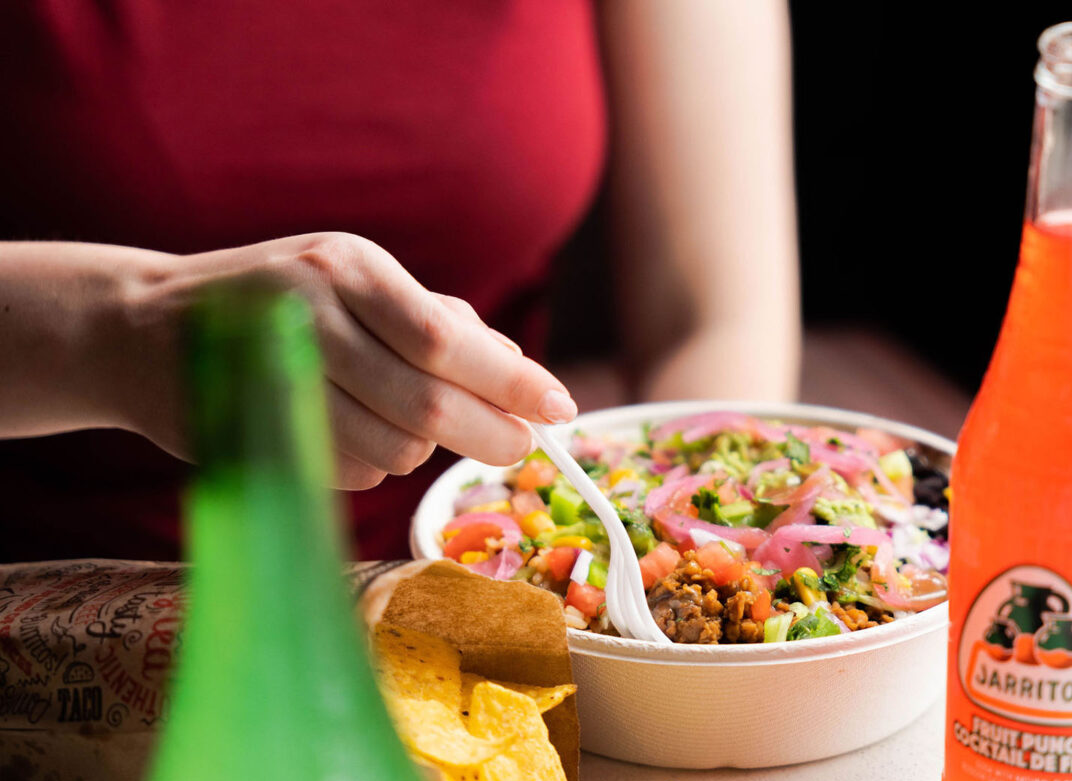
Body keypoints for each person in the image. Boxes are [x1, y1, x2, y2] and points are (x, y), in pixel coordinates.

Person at [0, 1, 800, 561]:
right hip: (45, 617)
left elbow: (712, 317)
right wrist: (112, 330)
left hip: (486, 600)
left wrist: (687, 548)